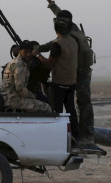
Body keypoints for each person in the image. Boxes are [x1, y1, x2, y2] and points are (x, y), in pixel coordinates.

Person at [39, 0, 98, 149]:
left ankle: (83, 136)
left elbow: (53, 45)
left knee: (80, 103)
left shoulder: (69, 35)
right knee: (78, 103)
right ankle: (82, 134)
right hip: (82, 69)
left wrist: (36, 50)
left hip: (79, 71)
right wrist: (49, 0)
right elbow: (60, 14)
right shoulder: (74, 27)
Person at [34, 15, 80, 146]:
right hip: (71, 82)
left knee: (58, 112)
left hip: (60, 83)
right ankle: (75, 136)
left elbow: (49, 64)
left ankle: (61, 139)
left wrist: (37, 55)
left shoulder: (57, 44)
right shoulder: (73, 41)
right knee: (71, 110)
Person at [0, 40, 53, 112]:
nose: (28, 54)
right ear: (20, 51)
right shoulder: (19, 65)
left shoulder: (19, 62)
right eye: (25, 51)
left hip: (10, 97)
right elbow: (20, 88)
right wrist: (33, 96)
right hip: (13, 99)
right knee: (46, 107)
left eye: (30, 52)